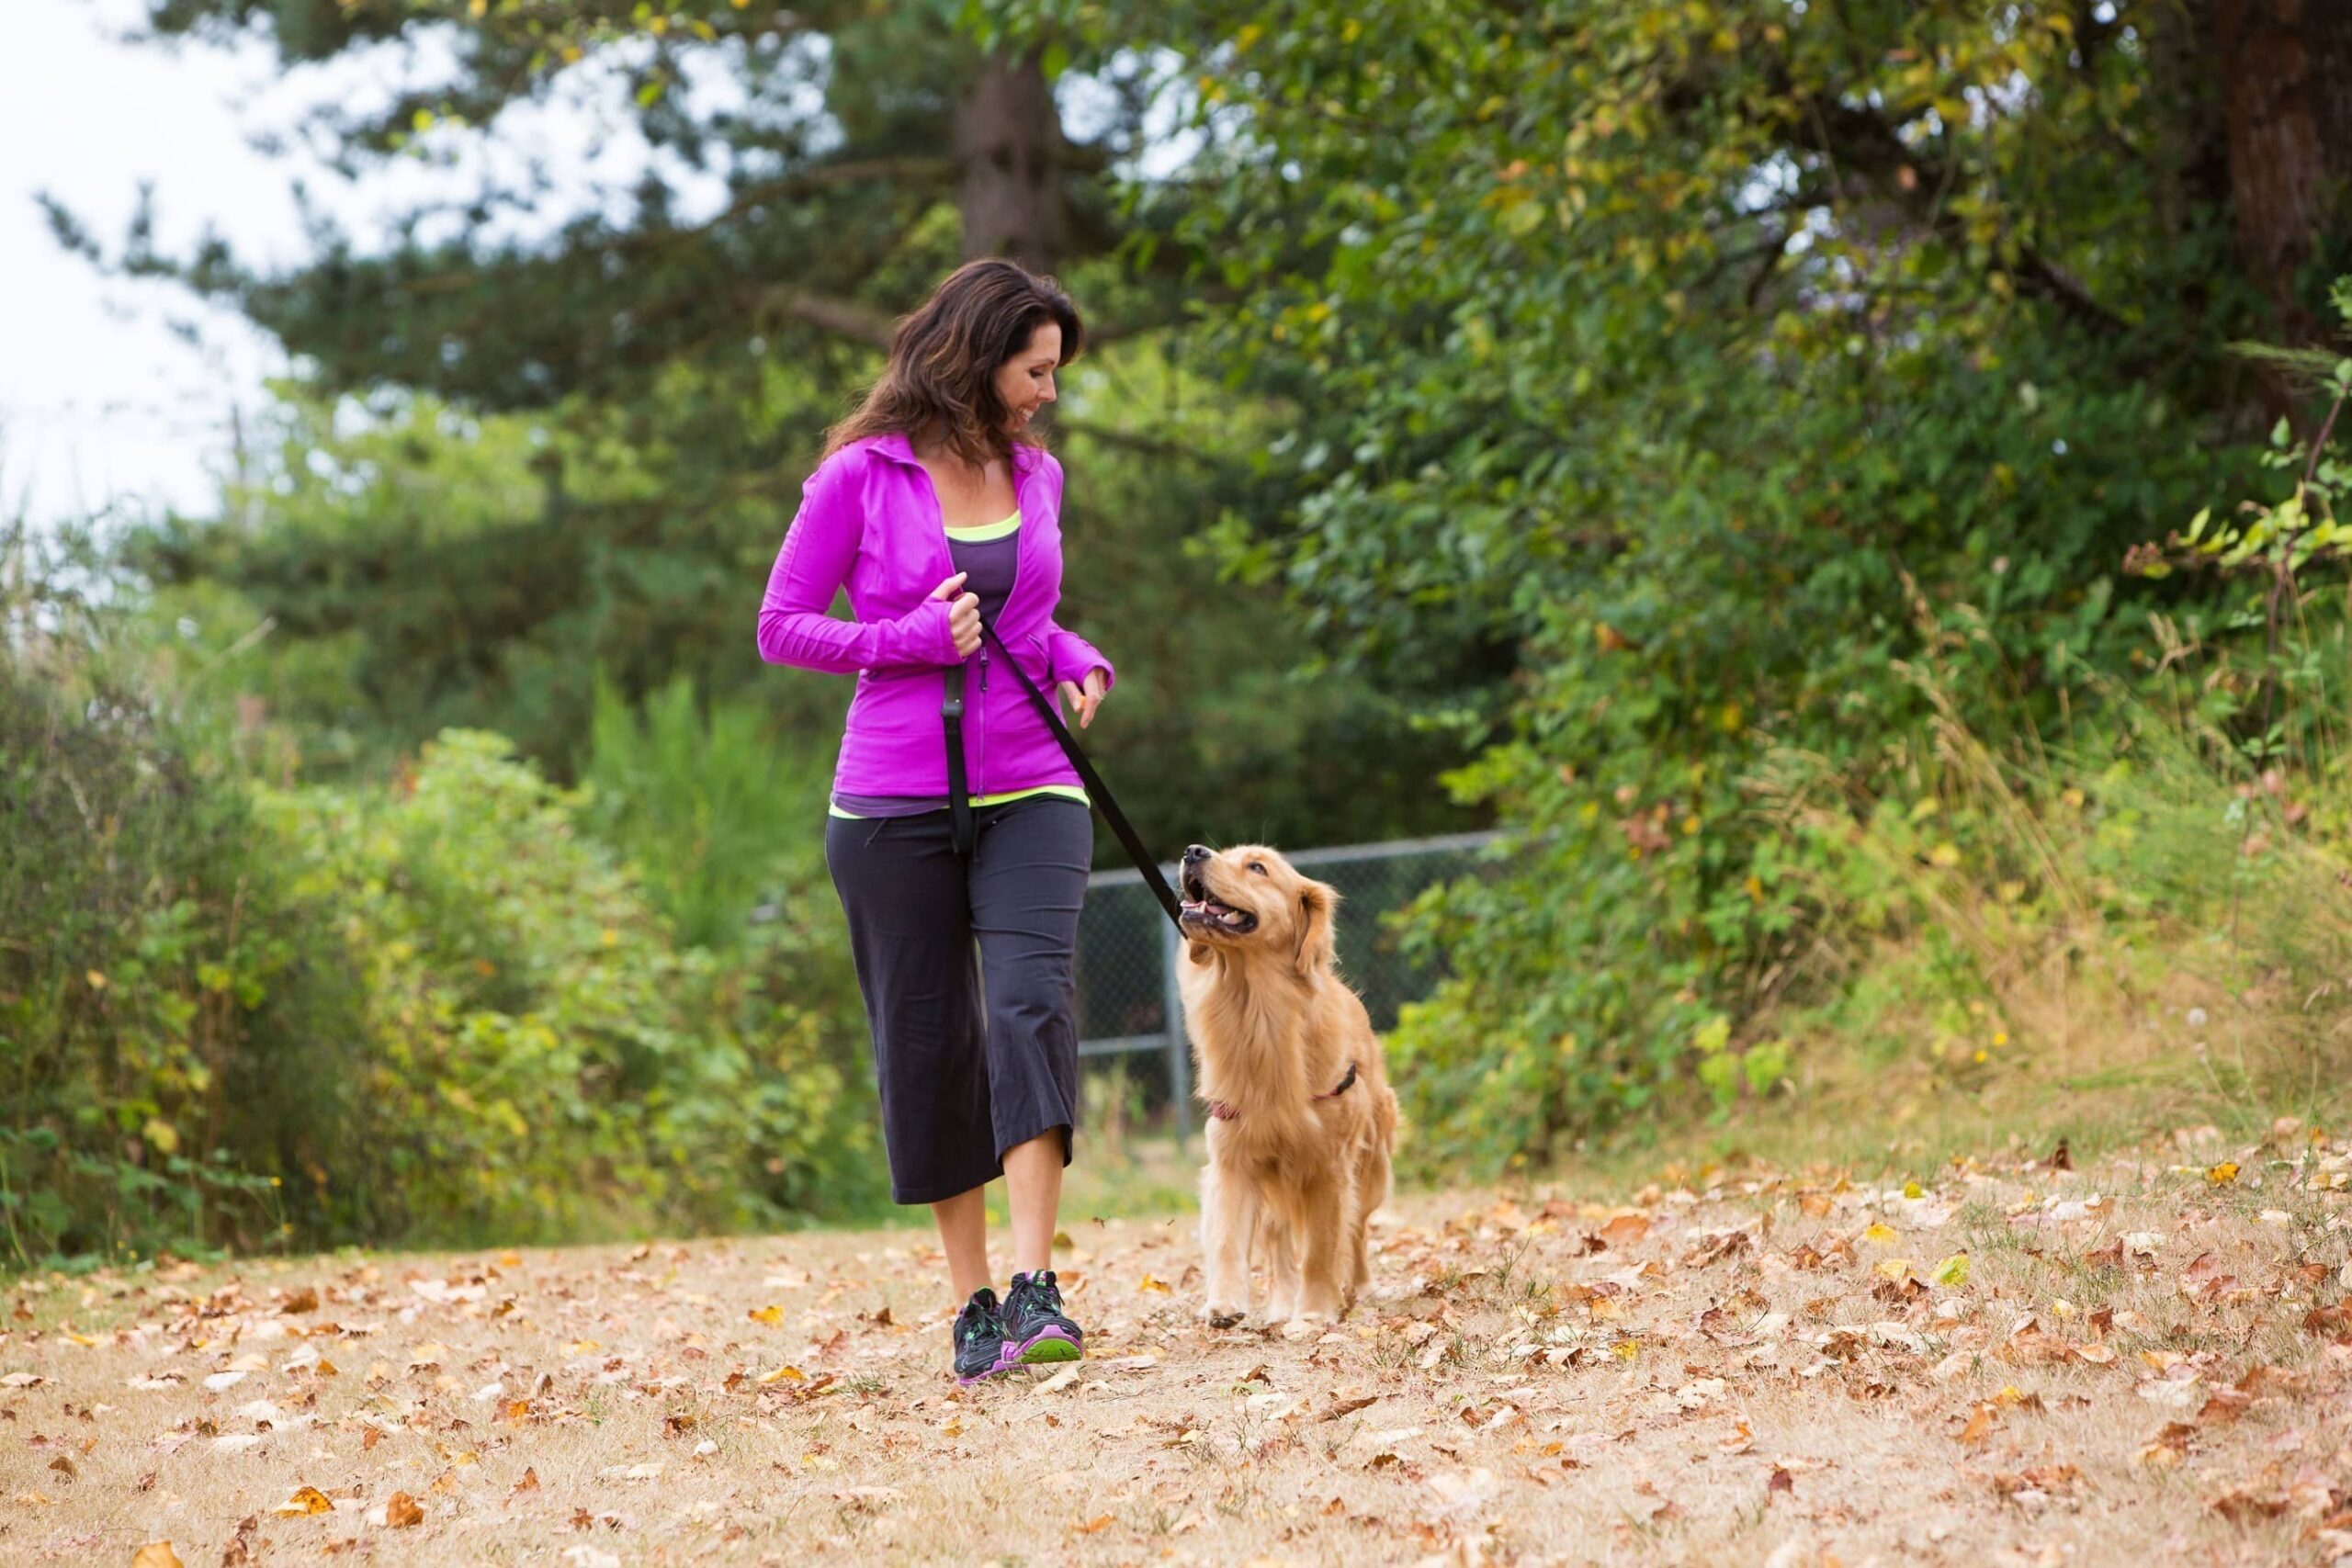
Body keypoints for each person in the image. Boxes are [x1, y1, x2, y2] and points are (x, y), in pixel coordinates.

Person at [755, 258, 1113, 1385]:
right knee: (929, 1044)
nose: (1048, 390)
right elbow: (782, 625)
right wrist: (898, 638)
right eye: (1035, 368)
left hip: (1031, 785)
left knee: (1026, 1007)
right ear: (978, 354)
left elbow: (1031, 618)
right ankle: (969, 1304)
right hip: (891, 803)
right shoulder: (858, 478)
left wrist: (1080, 659)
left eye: (1054, 371)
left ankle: (1034, 1283)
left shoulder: (1037, 474)